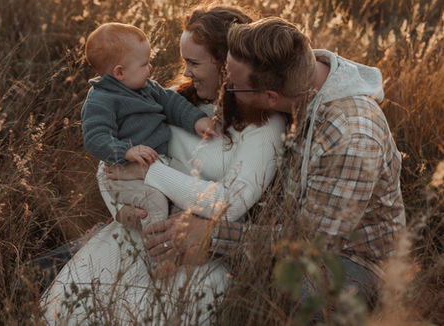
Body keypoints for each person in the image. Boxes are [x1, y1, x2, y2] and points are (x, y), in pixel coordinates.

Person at [40, 5, 285, 325]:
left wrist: (153, 173)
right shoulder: (168, 98)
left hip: (193, 253)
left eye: (194, 63)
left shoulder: (263, 126)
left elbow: (229, 202)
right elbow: (109, 166)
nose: (185, 73)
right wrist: (123, 211)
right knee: (67, 311)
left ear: (227, 65)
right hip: (136, 228)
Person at [147, 16, 406, 309]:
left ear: (270, 97)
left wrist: (210, 235)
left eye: (231, 86)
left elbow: (313, 244)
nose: (225, 89)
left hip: (349, 256)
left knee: (304, 297)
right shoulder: (289, 65)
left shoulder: (351, 137)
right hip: (284, 225)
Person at [81, 22, 215, 226]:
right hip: (126, 175)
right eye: (144, 64)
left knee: (189, 188)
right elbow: (95, 138)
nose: (150, 68)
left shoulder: (146, 86)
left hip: (158, 162)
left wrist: (197, 120)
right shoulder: (102, 100)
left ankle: (181, 239)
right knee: (155, 204)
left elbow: (172, 102)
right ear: (119, 73)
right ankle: (157, 249)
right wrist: (126, 151)